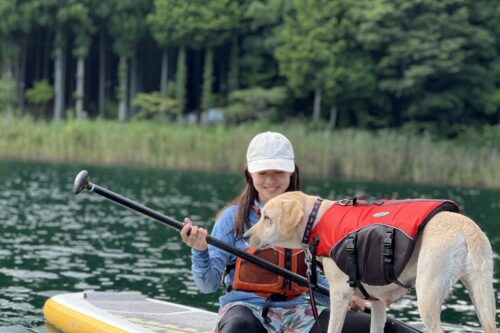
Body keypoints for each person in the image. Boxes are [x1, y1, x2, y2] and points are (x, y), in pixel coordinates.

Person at [181, 131, 364, 332]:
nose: (270, 180)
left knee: (376, 327)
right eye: (262, 173)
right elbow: (208, 285)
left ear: (291, 172)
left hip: (298, 314)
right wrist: (199, 250)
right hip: (246, 310)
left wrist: (348, 295)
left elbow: (314, 283)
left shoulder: (307, 219)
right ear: (250, 174)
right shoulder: (231, 218)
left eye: (278, 171)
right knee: (239, 326)